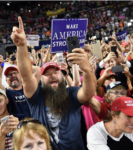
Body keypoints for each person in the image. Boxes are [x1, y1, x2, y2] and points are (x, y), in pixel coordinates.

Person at [10, 16, 96, 150]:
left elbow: (88, 92)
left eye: (56, 72)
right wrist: (21, 45)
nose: (52, 76)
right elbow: (26, 75)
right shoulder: (36, 98)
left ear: (62, 75)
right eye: (47, 74)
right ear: (41, 79)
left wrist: (87, 69)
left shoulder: (71, 94)